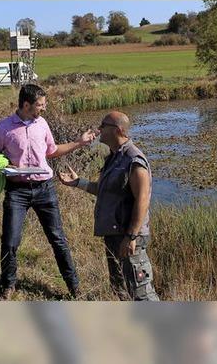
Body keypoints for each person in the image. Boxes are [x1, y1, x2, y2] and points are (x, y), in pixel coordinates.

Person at [0, 84, 96, 300]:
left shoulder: (42, 124)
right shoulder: (3, 128)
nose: (44, 109)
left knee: (58, 239)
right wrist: (6, 166)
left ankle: (74, 287)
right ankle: (8, 286)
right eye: (40, 105)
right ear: (26, 105)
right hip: (17, 191)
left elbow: (52, 151)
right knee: (10, 241)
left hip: (44, 189)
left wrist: (79, 142)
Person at [59, 111, 159, 301]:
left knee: (142, 293)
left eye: (104, 125)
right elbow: (106, 190)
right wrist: (78, 182)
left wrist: (131, 236)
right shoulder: (113, 157)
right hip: (114, 235)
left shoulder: (134, 160)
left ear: (118, 130)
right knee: (119, 288)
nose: (99, 129)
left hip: (129, 239)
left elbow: (143, 200)